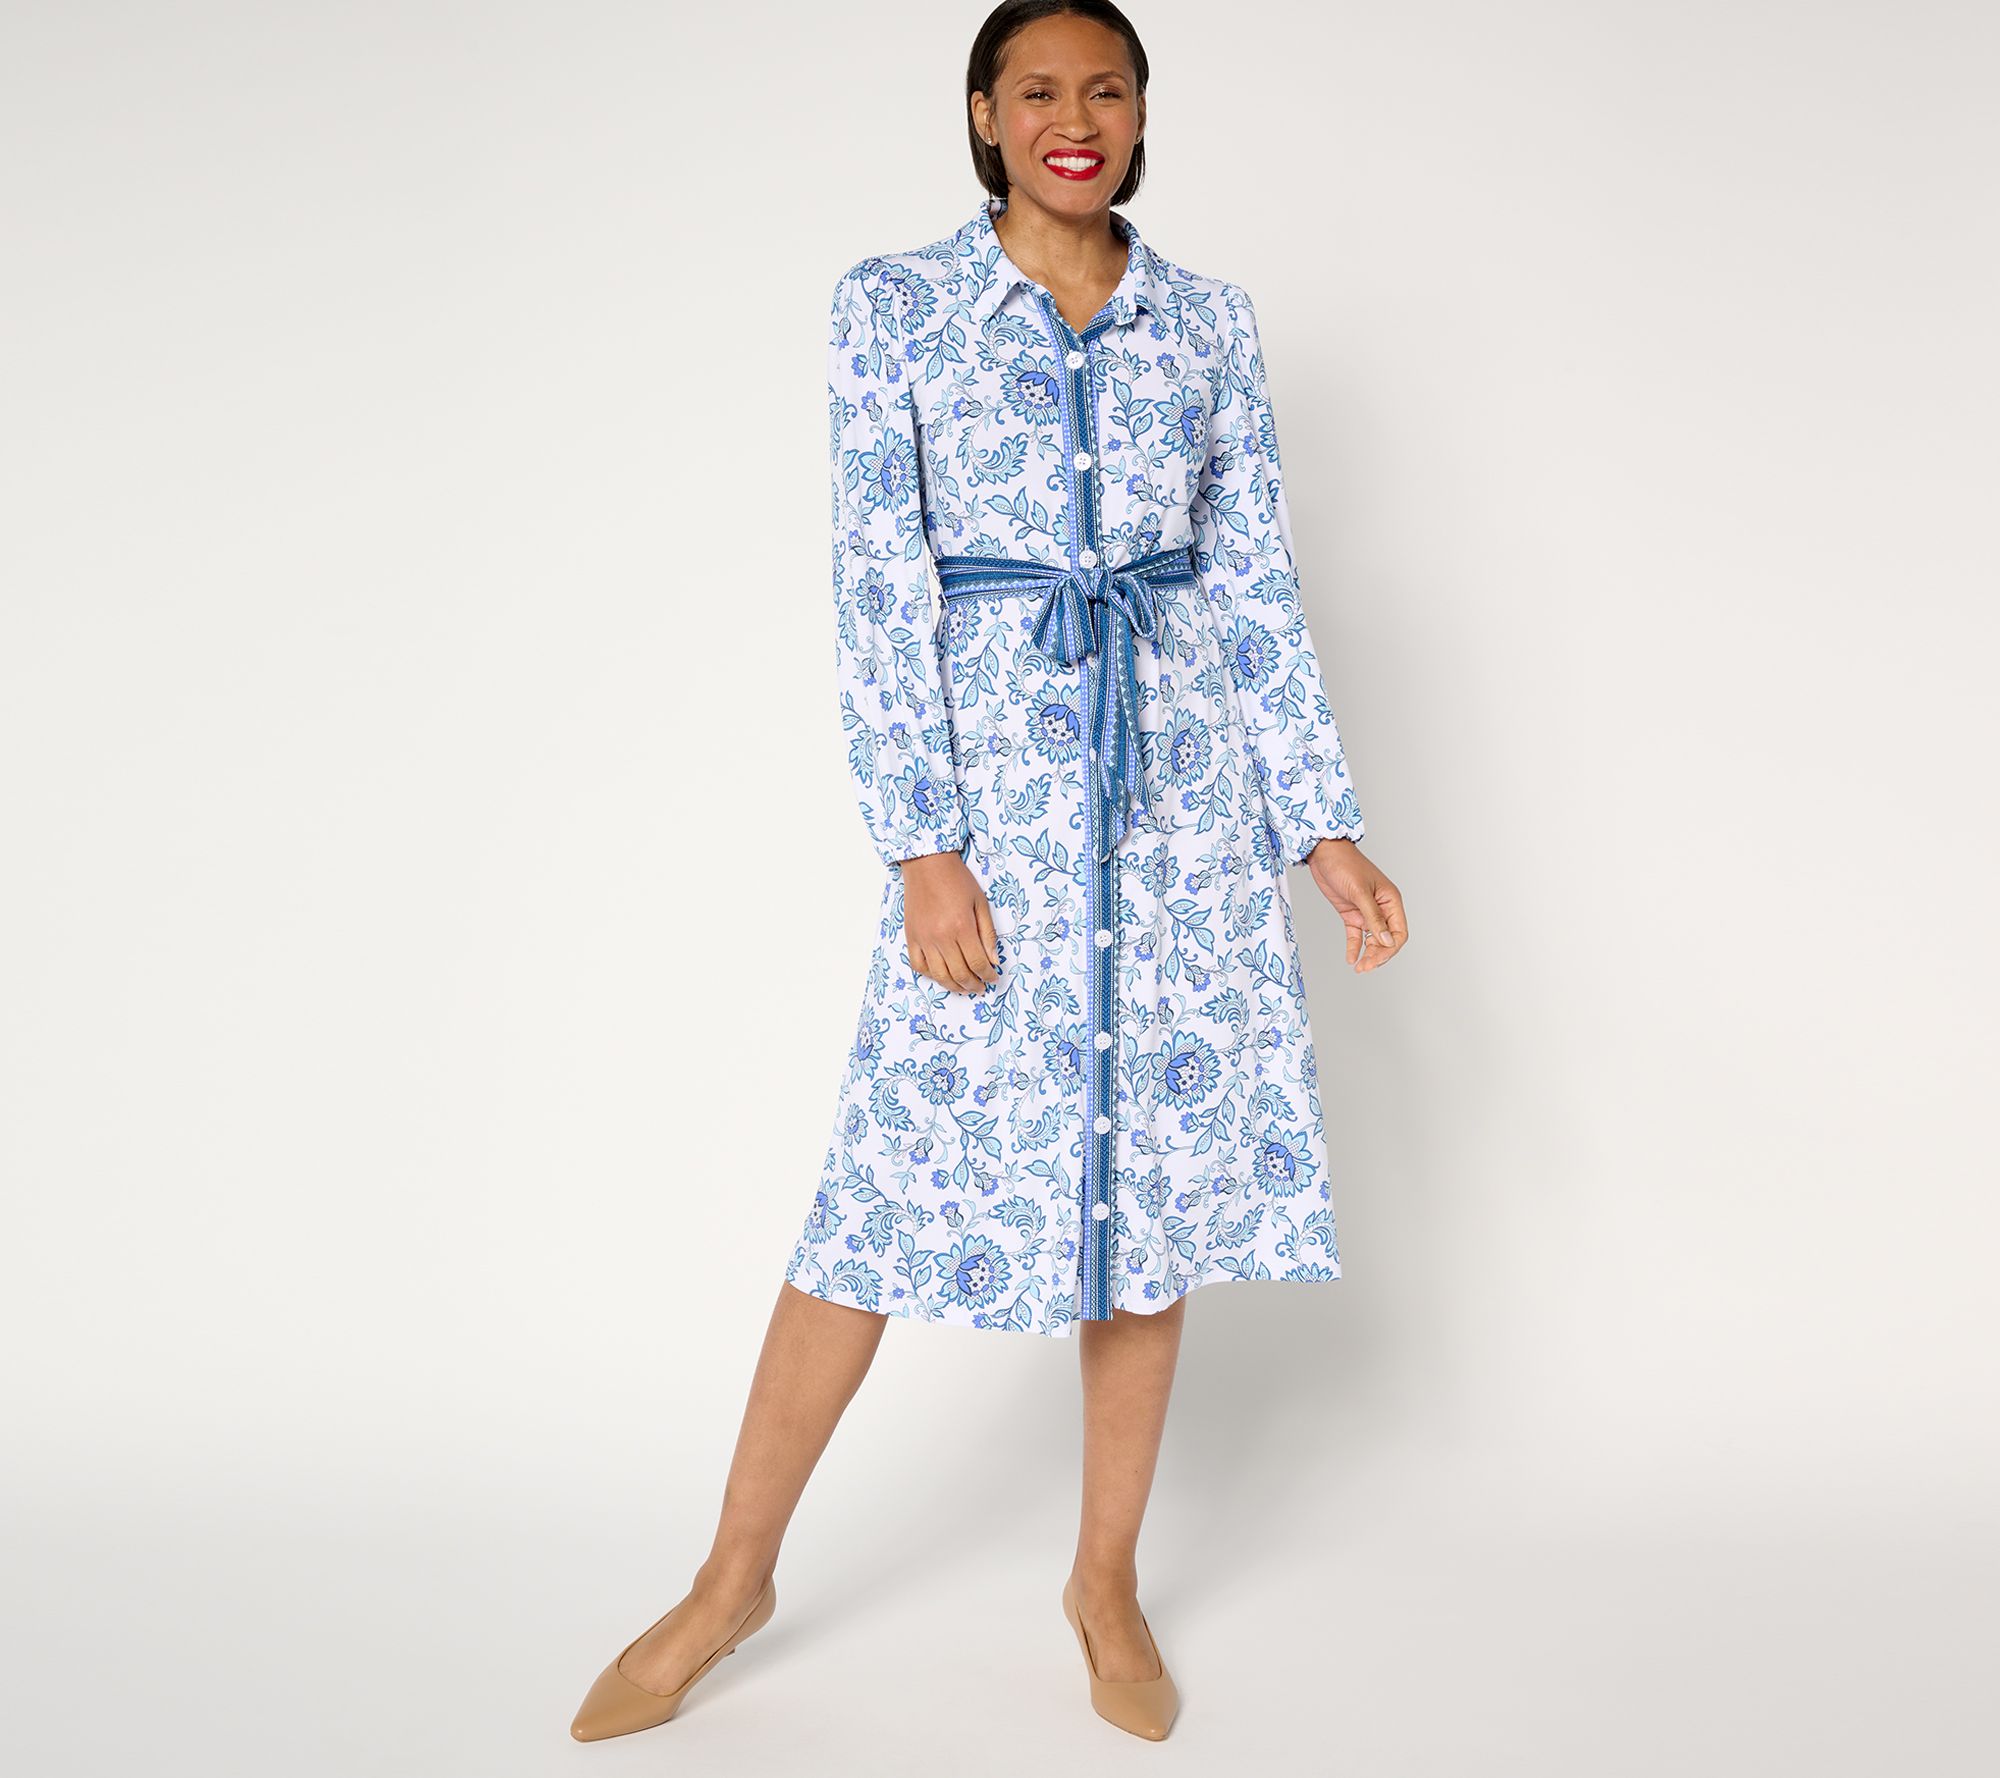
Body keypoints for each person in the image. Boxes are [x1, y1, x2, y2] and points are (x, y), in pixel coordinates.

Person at [570, 0, 1408, 1745]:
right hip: (999, 831)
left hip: (1180, 817)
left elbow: (1253, 584)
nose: (1073, 115)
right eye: (1038, 89)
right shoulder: (895, 308)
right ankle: (732, 1577)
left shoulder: (1208, 324)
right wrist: (924, 845)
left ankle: (1104, 1581)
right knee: (876, 1198)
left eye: (1105, 88)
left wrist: (1320, 829)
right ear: (984, 113)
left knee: (1151, 1209)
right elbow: (879, 578)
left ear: (1142, 115)